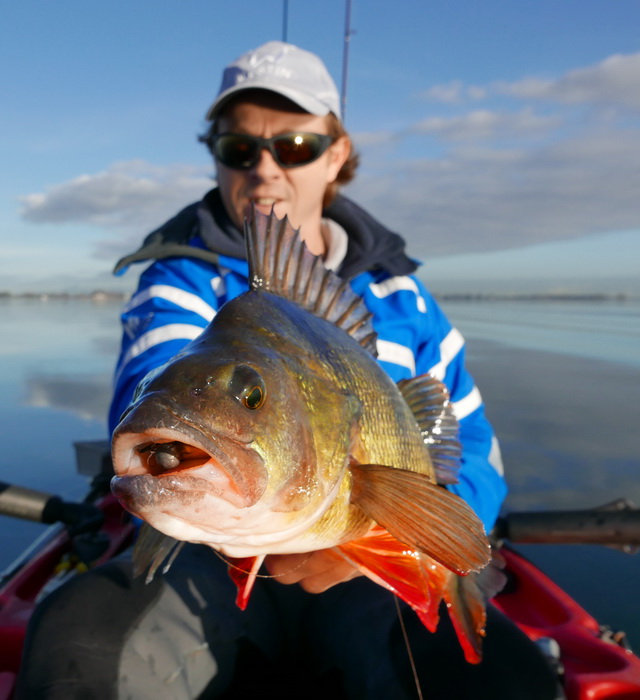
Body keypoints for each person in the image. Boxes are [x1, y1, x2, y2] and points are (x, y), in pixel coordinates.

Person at [16, 41, 561, 700]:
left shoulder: (407, 302)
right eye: (238, 148)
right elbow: (154, 380)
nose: (266, 169)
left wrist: (396, 530)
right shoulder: (181, 281)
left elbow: (471, 449)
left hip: (372, 565)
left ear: (337, 156)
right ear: (217, 158)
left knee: (504, 680)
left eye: (296, 145)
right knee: (81, 644)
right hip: (204, 561)